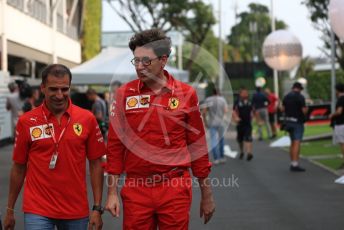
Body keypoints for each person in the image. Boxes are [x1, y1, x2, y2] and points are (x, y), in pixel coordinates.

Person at [105, 29, 215, 229]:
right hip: (136, 188)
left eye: (146, 61)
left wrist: (207, 196)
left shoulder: (186, 94)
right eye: (135, 61)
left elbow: (197, 146)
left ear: (163, 60)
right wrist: (111, 193)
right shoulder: (124, 94)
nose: (139, 66)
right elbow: (114, 146)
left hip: (174, 188)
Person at [4, 64, 106, 230]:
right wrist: (9, 209)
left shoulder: (87, 118)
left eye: (64, 89)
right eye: (53, 89)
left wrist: (96, 208)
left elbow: (96, 164)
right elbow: (18, 167)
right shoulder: (27, 121)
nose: (59, 95)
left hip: (75, 210)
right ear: (43, 88)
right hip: (37, 209)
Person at [281, 82, 308, 172]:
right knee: (297, 142)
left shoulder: (286, 96)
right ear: (300, 89)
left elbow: (282, 109)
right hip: (297, 122)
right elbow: (304, 110)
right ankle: (295, 164)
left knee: (292, 143)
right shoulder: (300, 97)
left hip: (288, 122)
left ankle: (292, 162)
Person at [203, 88, 228, 165]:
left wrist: (205, 121)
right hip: (221, 122)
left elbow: (204, 112)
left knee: (213, 140)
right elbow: (225, 110)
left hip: (212, 122)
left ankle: (216, 158)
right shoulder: (222, 99)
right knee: (221, 140)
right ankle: (222, 157)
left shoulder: (208, 100)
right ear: (219, 92)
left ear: (212, 92)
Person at [233, 87, 254, 161]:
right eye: (243, 93)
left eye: (246, 92)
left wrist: (256, 118)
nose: (245, 94)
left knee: (248, 138)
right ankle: (242, 151)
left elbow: (254, 110)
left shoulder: (250, 101)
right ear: (240, 94)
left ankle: (249, 153)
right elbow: (233, 111)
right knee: (240, 139)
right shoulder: (237, 102)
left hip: (248, 123)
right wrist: (236, 118)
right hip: (240, 123)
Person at [329, 83, 344, 169]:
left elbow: (339, 111)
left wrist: (332, 115)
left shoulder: (341, 99)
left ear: (338, 90)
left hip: (341, 124)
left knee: (342, 144)